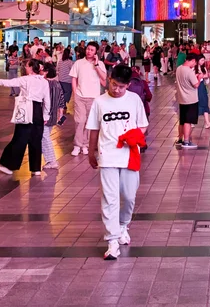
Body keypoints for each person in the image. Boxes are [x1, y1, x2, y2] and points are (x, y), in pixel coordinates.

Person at [86, 64, 149, 260]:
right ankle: (112, 240)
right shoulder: (99, 102)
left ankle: (123, 225)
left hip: (130, 154)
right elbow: (94, 129)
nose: (116, 89)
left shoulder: (135, 100)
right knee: (110, 198)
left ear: (128, 85)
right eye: (114, 85)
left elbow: (143, 126)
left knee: (129, 196)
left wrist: (134, 136)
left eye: (121, 86)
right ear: (109, 80)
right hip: (107, 155)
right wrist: (91, 151)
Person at [0, 57, 50, 176]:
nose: (25, 67)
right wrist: (45, 115)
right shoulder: (44, 81)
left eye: (27, 65)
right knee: (36, 139)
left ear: (31, 68)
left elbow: (9, 82)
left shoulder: (25, 79)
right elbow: (47, 100)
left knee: (19, 138)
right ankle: (36, 168)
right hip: (38, 110)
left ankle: (7, 164)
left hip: (26, 109)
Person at [69, 43, 108, 158]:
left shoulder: (100, 64)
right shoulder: (78, 63)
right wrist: (75, 92)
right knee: (79, 121)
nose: (89, 51)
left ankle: (85, 145)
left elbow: (104, 78)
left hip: (94, 97)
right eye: (88, 49)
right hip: (80, 96)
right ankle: (77, 145)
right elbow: (74, 79)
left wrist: (96, 65)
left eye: (92, 50)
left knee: (88, 123)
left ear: (96, 52)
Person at [175, 52, 200, 148]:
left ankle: (180, 139)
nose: (195, 65)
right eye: (195, 63)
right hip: (191, 99)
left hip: (181, 98)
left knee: (182, 120)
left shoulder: (179, 68)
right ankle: (186, 141)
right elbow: (196, 85)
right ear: (193, 60)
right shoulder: (189, 72)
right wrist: (199, 77)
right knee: (188, 121)